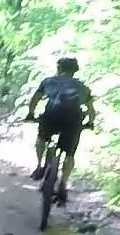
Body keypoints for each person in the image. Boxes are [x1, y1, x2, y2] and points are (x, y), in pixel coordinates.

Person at [24, 57, 96, 203]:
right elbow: (91, 110)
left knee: (41, 138)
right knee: (70, 153)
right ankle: (63, 184)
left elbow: (35, 99)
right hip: (73, 121)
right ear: (75, 71)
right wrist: (90, 122)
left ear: (58, 68)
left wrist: (31, 114)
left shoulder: (49, 81)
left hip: (51, 117)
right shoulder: (83, 87)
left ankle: (39, 166)